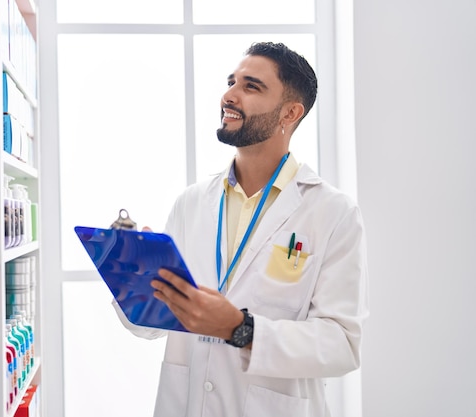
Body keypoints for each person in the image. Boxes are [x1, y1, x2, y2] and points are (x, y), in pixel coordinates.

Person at [113, 41, 369, 416]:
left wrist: (241, 329)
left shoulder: (333, 212)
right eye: (231, 82)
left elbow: (341, 345)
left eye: (251, 86)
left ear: (290, 113)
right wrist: (133, 277)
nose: (229, 95)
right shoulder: (192, 202)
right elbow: (149, 325)